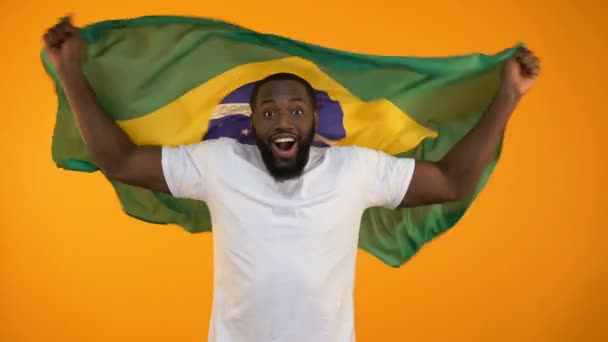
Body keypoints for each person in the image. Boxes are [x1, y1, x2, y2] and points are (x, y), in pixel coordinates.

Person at [43, 17, 540, 342]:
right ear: (252, 121)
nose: (284, 119)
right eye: (270, 110)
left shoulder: (356, 169)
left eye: (296, 110)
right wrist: (70, 74)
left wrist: (508, 97)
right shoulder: (219, 161)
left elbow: (451, 182)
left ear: (313, 122)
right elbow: (123, 162)